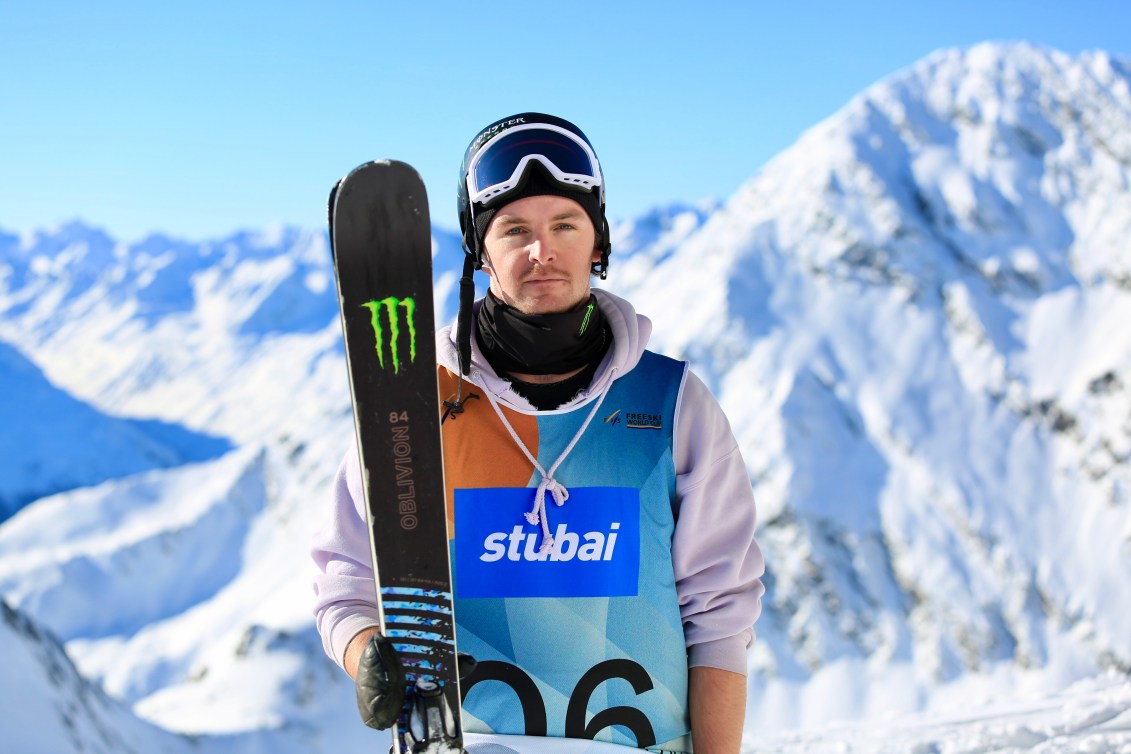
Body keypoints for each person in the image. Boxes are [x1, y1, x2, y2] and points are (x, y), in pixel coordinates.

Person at [311, 113, 765, 754]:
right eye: (515, 230)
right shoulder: (412, 410)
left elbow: (719, 612)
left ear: (598, 243)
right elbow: (347, 580)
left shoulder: (672, 405)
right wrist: (367, 657)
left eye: (565, 226)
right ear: (481, 249)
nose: (541, 251)